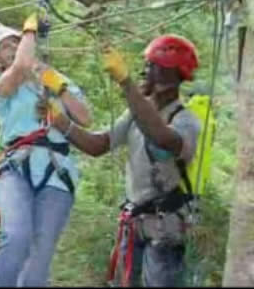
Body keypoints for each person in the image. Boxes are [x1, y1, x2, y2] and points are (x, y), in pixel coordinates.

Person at [41, 34, 201, 287]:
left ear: (168, 75)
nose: (143, 72)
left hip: (165, 227)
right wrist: (61, 122)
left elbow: (160, 136)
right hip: (135, 222)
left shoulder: (185, 121)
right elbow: (99, 145)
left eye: (150, 66)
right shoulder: (134, 115)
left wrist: (127, 84)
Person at [0, 14, 92, 287]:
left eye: (16, 42)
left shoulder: (54, 79)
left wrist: (60, 88)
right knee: (16, 235)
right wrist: (29, 30)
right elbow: (21, 67)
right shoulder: (3, 86)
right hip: (16, 167)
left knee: (39, 257)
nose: (15, 47)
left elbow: (85, 117)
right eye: (7, 47)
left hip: (57, 171)